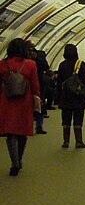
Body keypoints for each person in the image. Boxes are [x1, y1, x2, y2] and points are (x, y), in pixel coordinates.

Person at [0, 37, 41, 175]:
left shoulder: (2, 64)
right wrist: (37, 98)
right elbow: (35, 84)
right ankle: (19, 159)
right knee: (22, 131)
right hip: (25, 101)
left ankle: (14, 162)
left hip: (7, 101)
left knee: (10, 132)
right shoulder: (30, 64)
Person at [56, 43, 85, 149]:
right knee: (78, 119)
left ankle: (66, 141)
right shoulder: (81, 64)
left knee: (66, 119)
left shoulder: (62, 65)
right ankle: (78, 141)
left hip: (66, 96)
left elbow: (59, 82)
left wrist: (58, 97)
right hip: (78, 96)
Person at [26, 41, 50, 134]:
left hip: (38, 83)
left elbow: (45, 66)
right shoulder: (24, 58)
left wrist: (37, 58)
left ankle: (39, 126)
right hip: (27, 85)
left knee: (39, 104)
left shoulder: (39, 55)